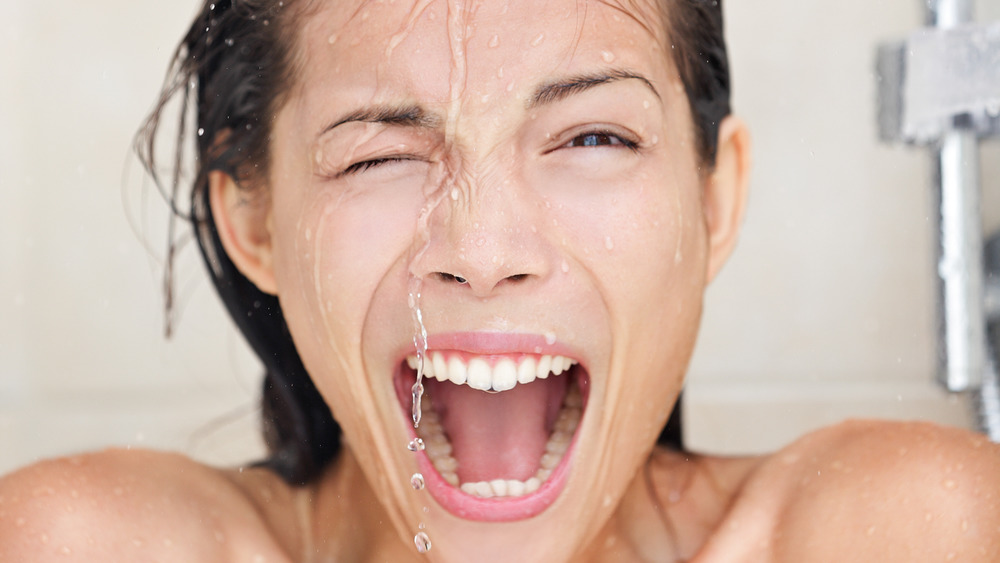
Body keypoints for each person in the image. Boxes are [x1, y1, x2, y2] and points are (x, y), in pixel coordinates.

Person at [2, 0, 999, 560]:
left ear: (713, 199)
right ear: (253, 219)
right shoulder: (88, 546)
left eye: (593, 135)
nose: (482, 248)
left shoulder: (908, 531)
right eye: (379, 154)